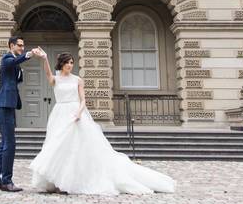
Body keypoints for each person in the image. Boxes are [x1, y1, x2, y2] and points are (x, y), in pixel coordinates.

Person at [28, 50, 176, 195]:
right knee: (58, 147)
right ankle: (57, 181)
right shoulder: (56, 79)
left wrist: (79, 112)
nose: (70, 65)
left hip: (75, 113)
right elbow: (47, 73)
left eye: (72, 62)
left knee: (75, 148)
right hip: (59, 114)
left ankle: (69, 182)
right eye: (67, 62)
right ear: (61, 64)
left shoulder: (78, 80)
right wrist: (45, 58)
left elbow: (83, 99)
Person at [0, 36, 45, 192]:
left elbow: (15, 78)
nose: (21, 47)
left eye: (23, 45)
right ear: (11, 45)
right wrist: (28, 55)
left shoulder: (13, 61)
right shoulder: (7, 57)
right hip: (4, 105)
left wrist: (20, 72)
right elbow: (12, 62)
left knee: (4, 144)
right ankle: (6, 181)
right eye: (19, 45)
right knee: (10, 144)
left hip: (9, 104)